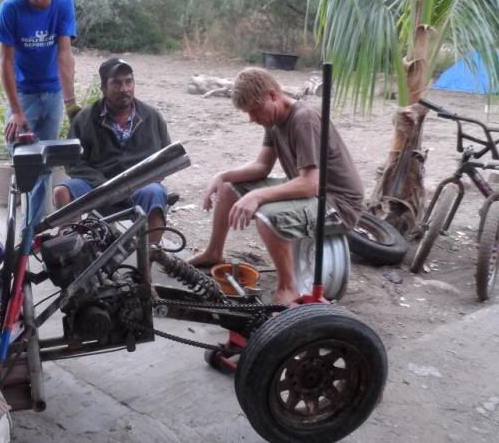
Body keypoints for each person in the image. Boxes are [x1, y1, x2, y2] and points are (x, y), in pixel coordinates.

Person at [189, 67, 364, 305]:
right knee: (230, 188)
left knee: (268, 218)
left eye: (254, 110)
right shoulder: (273, 120)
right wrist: (223, 175)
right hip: (309, 191)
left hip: (337, 203)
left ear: (273, 95)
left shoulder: (304, 119)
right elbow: (262, 166)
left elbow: (312, 184)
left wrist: (259, 196)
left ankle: (288, 289)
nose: (251, 118)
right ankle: (214, 252)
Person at [0, 0, 77, 226]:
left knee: (46, 163)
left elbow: (65, 54)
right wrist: (17, 112)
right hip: (24, 96)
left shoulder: (63, 5)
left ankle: (31, 229)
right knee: (20, 155)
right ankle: (22, 221)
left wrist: (71, 103)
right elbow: (5, 62)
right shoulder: (11, 10)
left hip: (53, 95)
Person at [53, 57, 171, 243]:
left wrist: (144, 179)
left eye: (128, 81)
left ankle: (149, 257)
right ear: (103, 88)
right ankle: (72, 252)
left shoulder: (152, 116)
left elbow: (166, 159)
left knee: (154, 193)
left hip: (140, 186)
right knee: (62, 192)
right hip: (97, 186)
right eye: (116, 83)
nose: (124, 88)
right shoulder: (85, 119)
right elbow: (73, 162)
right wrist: (102, 184)